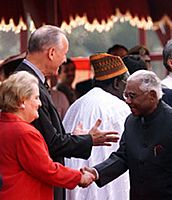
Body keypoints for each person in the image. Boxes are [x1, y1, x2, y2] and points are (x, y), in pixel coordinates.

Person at [14, 25, 119, 200]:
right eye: (64, 54)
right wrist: (88, 140)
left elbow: (48, 137)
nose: (65, 61)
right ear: (52, 53)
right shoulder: (26, 83)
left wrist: (73, 137)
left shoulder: (29, 78)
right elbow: (50, 143)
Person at [82, 70, 172, 200]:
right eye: (125, 95)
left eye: (132, 96)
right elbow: (123, 156)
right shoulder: (131, 121)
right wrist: (96, 172)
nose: (127, 101)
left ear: (152, 95)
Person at [0, 71, 96, 200]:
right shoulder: (25, 133)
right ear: (22, 101)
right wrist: (79, 177)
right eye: (36, 98)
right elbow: (47, 170)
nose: (39, 103)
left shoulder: (5, 124)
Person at [64, 53, 130, 200]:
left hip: (76, 185)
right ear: (117, 83)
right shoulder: (119, 108)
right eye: (126, 83)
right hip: (110, 184)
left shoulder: (75, 106)